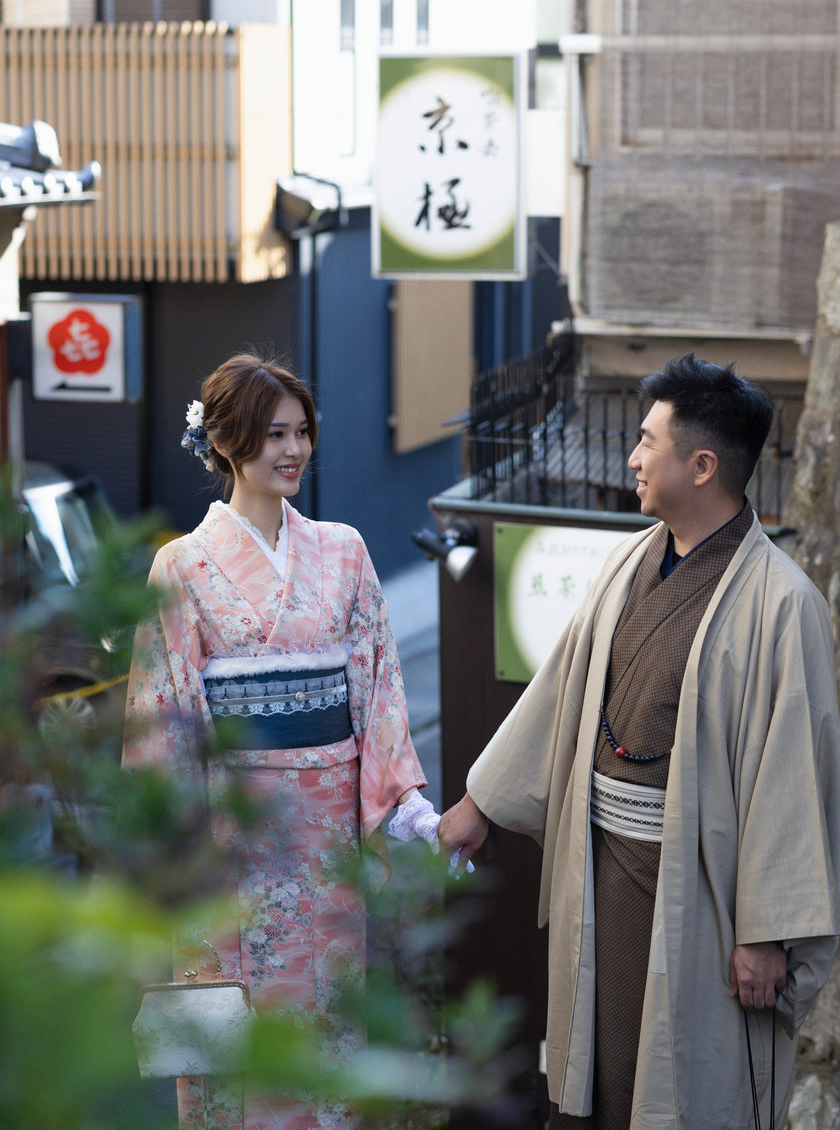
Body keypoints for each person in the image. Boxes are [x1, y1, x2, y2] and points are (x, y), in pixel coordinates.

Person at [439, 353, 840, 1130]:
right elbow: (559, 693)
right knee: (598, 1072)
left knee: (688, 1084)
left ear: (701, 464)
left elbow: (795, 776)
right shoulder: (629, 560)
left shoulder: (783, 602)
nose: (631, 456)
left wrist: (769, 935)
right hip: (601, 863)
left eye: (648, 440)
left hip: (702, 885)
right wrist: (479, 804)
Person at [123, 352, 441, 1130]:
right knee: (225, 1032)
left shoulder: (345, 551)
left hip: (326, 841)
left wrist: (402, 802)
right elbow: (163, 715)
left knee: (326, 1030)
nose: (292, 450)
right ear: (228, 442)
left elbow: (377, 688)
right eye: (273, 435)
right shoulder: (183, 566)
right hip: (228, 842)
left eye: (302, 433)